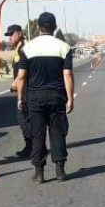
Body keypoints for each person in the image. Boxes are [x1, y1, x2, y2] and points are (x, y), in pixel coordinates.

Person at [15, 12, 75, 183]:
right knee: (57, 133)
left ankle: (39, 172)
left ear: (38, 27)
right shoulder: (63, 47)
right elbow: (68, 75)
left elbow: (21, 77)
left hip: (34, 97)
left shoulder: (28, 49)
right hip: (57, 96)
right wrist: (70, 98)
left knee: (37, 134)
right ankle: (60, 171)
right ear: (54, 27)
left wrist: (20, 98)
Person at [5, 23, 31, 157]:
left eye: (11, 34)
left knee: (23, 118)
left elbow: (23, 71)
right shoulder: (19, 48)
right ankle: (32, 145)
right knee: (26, 118)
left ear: (19, 34)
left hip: (26, 89)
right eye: (8, 35)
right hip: (24, 87)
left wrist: (15, 83)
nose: (9, 38)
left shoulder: (24, 49)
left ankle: (30, 146)